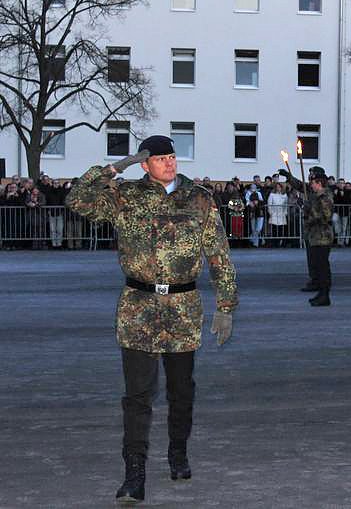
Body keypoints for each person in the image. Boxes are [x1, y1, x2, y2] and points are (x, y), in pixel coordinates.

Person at [65, 135, 238, 503]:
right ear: (145, 164)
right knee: (138, 395)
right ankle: (134, 472)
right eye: (160, 159)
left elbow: (218, 252)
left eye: (172, 157)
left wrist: (226, 305)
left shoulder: (199, 198)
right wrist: (115, 167)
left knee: (181, 390)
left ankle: (178, 452)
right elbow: (76, 199)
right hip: (138, 305)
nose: (170, 163)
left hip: (183, 306)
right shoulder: (125, 196)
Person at [305, 171, 334, 306]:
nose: (312, 185)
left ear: (319, 183)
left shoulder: (325, 196)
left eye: (313, 183)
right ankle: (321, 293)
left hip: (323, 236)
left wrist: (310, 212)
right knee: (317, 265)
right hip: (316, 236)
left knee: (322, 266)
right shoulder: (317, 196)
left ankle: (325, 294)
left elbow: (325, 216)